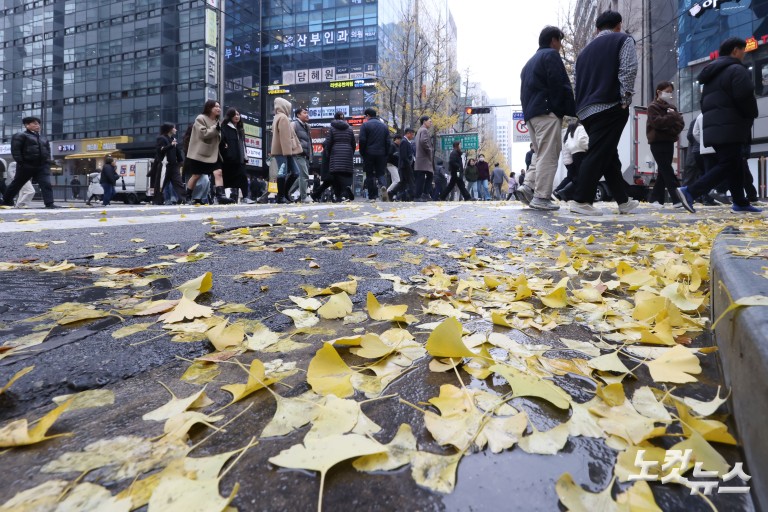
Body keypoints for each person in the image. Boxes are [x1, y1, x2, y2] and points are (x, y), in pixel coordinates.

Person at [677, 37, 761, 214]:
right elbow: (745, 96)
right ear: (735, 51)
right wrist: (752, 114)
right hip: (732, 126)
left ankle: (740, 202)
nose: (744, 55)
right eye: (743, 51)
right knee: (729, 164)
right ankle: (691, 191)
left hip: (716, 126)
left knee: (735, 164)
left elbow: (703, 103)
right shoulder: (737, 69)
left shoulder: (711, 74)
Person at [569, 11, 640, 216]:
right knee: (599, 152)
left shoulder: (583, 53)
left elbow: (577, 82)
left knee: (608, 153)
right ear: (618, 25)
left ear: (597, 29)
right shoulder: (623, 40)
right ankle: (581, 199)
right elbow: (628, 70)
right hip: (610, 104)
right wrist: (625, 100)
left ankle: (623, 201)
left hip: (586, 109)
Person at [518, 26, 576, 210]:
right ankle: (541, 196)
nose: (560, 45)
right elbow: (559, 84)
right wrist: (566, 109)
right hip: (547, 111)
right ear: (553, 40)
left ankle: (528, 186)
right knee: (549, 154)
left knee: (540, 153)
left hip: (531, 114)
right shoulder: (551, 56)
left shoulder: (528, 64)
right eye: (560, 41)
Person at [183, 100, 234, 204]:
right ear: (209, 108)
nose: (218, 109)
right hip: (200, 153)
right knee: (196, 175)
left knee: (218, 172)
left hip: (213, 154)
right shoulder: (200, 118)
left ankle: (221, 196)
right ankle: (188, 197)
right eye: (216, 107)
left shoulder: (217, 121)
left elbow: (217, 136)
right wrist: (216, 128)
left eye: (219, 107)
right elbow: (204, 134)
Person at [4, 116, 59, 209]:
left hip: (42, 166)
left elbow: (47, 150)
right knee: (17, 184)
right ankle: (6, 201)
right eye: (35, 124)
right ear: (27, 125)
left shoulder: (43, 138)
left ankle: (49, 203)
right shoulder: (20, 135)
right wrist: (21, 162)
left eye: (38, 124)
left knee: (46, 184)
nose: (38, 126)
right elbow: (16, 150)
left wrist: (47, 162)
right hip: (26, 165)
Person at [646, 82, 685, 207]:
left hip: (669, 142)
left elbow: (680, 124)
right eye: (667, 91)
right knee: (667, 170)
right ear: (659, 91)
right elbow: (657, 123)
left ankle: (655, 199)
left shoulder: (672, 107)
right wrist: (672, 119)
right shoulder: (653, 107)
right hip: (657, 143)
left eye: (670, 91)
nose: (669, 94)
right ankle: (677, 199)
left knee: (664, 171)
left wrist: (670, 121)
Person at [314, 112, 356, 202]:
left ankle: (342, 193)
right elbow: (353, 143)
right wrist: (350, 153)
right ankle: (344, 190)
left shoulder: (332, 129)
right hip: (347, 154)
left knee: (335, 175)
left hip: (335, 154)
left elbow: (328, 143)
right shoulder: (349, 129)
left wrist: (328, 154)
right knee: (343, 174)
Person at [271, 97, 303, 204]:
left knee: (295, 172)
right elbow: (285, 137)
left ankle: (284, 195)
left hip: (282, 150)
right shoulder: (283, 118)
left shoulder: (277, 117)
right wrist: (288, 152)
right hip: (283, 151)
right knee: (283, 173)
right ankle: (281, 197)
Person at [359, 107, 392, 201]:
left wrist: (363, 152)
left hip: (369, 153)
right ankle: (383, 186)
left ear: (368, 116)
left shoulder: (365, 125)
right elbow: (388, 142)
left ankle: (372, 196)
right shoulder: (384, 126)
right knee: (381, 173)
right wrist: (386, 153)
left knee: (370, 175)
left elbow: (362, 140)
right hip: (381, 153)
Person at [220, 109, 251, 204]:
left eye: (238, 114)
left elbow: (242, 144)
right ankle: (220, 196)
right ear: (230, 116)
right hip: (229, 159)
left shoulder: (240, 128)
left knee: (243, 176)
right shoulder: (225, 127)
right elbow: (222, 141)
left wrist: (246, 156)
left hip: (240, 158)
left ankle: (245, 197)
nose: (237, 116)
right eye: (234, 115)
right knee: (225, 178)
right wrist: (226, 150)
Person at [554, 120, 589, 201]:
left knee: (574, 177)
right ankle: (561, 192)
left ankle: (563, 193)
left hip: (569, 158)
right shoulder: (573, 131)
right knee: (576, 177)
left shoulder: (567, 133)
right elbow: (580, 142)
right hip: (572, 158)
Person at [154, 122, 186, 205]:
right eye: (174, 128)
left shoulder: (173, 139)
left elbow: (177, 152)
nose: (176, 129)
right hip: (165, 165)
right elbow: (160, 150)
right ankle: (158, 200)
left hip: (174, 165)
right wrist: (171, 145)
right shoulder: (161, 138)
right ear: (169, 129)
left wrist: (181, 161)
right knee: (161, 183)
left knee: (179, 182)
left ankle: (183, 199)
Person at [291, 107, 314, 203]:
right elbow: (290, 138)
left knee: (300, 176)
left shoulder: (306, 126)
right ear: (298, 115)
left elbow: (309, 143)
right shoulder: (294, 124)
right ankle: (304, 197)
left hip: (305, 155)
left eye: (307, 113)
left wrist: (310, 155)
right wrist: (296, 148)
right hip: (297, 154)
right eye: (304, 113)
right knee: (304, 175)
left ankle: (288, 192)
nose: (307, 114)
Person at [389, 128, 416, 201]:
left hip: (404, 166)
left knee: (403, 183)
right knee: (411, 181)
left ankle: (392, 193)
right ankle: (413, 197)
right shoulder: (404, 142)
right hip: (405, 166)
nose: (413, 136)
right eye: (412, 134)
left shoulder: (406, 142)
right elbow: (404, 156)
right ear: (408, 133)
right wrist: (409, 165)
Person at [414, 116, 434, 201]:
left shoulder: (419, 130)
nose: (431, 123)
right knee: (422, 178)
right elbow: (424, 141)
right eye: (430, 121)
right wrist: (430, 150)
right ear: (424, 121)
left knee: (427, 176)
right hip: (424, 158)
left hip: (420, 158)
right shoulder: (424, 130)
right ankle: (419, 196)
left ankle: (424, 194)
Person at [385, 133, 402, 201]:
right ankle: (387, 193)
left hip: (394, 165)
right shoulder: (392, 145)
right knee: (397, 181)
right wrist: (396, 155)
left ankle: (392, 196)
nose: (400, 141)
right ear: (396, 139)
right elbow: (390, 154)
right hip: (391, 164)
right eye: (400, 140)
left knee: (394, 181)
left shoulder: (397, 146)